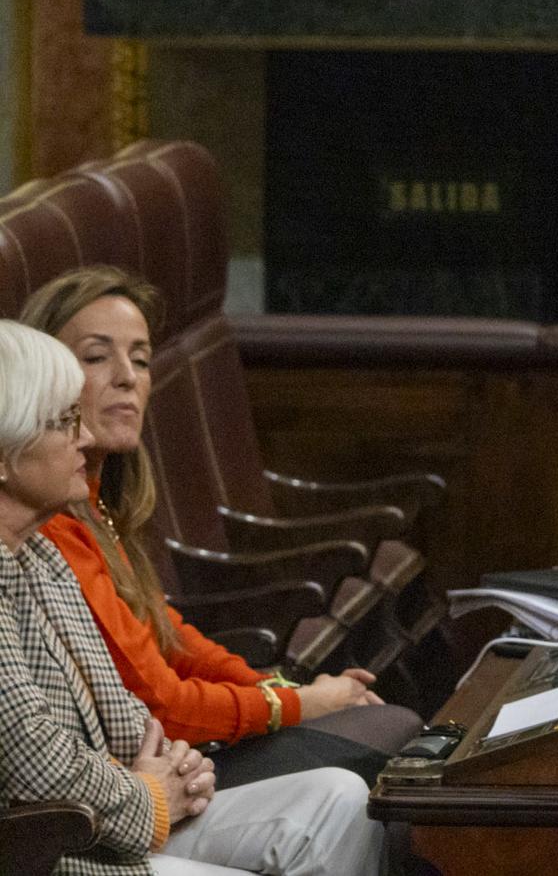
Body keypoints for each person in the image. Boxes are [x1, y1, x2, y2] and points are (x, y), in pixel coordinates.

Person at [0, 320, 382, 876]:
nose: (84, 438)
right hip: (53, 853)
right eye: (63, 421)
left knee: (339, 798)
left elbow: (123, 707)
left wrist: (176, 770)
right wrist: (152, 796)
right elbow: (33, 757)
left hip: (117, 811)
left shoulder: (39, 551)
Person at [19, 267, 421, 790]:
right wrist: (300, 703)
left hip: (181, 752)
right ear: (41, 380)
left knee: (389, 734)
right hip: (146, 776)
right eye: (97, 357)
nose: (126, 377)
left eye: (140, 359)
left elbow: (169, 637)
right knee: (383, 748)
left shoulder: (97, 506)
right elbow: (162, 702)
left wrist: (275, 688)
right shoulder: (49, 528)